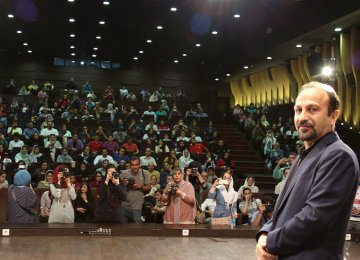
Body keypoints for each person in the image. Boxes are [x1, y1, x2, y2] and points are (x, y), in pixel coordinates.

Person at [256, 82, 359, 259]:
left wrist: (271, 242)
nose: (302, 117)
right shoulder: (303, 154)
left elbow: (315, 217)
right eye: (298, 110)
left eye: (313, 109)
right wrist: (264, 234)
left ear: (333, 116)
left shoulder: (339, 156)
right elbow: (282, 210)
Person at [120, 156, 151, 223]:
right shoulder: (124, 173)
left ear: (140, 164)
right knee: (122, 229)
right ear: (130, 165)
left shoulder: (145, 173)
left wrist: (140, 186)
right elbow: (117, 188)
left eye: (136, 164)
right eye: (133, 165)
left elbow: (149, 187)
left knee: (136, 230)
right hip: (123, 206)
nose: (135, 167)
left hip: (137, 207)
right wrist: (123, 185)